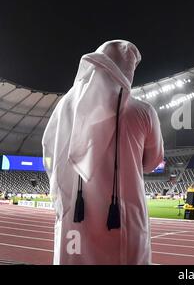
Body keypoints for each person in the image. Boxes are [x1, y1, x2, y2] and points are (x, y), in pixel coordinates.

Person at [42, 40, 164, 265]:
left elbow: (49, 153)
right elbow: (151, 163)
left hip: (75, 219)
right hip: (124, 220)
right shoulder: (144, 112)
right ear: (128, 70)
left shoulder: (65, 108)